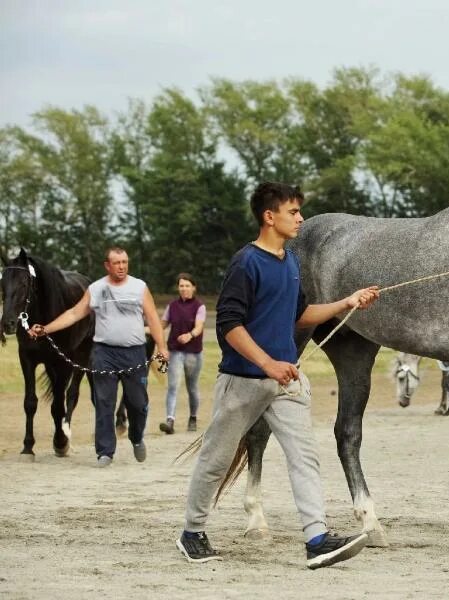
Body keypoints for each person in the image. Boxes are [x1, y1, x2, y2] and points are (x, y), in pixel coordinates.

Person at [176, 181, 380, 569]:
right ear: (270, 217)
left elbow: (300, 315)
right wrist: (267, 363)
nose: (301, 218)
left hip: (285, 383)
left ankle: (316, 538)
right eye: (293, 212)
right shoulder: (245, 263)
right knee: (216, 459)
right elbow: (230, 326)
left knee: (305, 457)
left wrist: (347, 302)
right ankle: (192, 532)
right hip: (243, 380)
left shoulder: (290, 262)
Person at [28, 247, 169, 467]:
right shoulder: (96, 288)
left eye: (124, 262)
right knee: (103, 402)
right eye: (117, 263)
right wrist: (46, 329)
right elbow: (74, 313)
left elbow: (152, 318)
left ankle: (136, 437)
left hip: (134, 353)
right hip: (104, 353)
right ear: (107, 265)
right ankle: (105, 452)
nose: (122, 266)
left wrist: (162, 347)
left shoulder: (139, 287)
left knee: (138, 403)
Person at [159, 273, 206, 434]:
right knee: (173, 386)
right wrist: (144, 329)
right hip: (175, 352)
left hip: (193, 354)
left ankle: (192, 417)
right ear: (178, 288)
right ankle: (170, 420)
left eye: (187, 285)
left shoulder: (199, 307)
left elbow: (199, 326)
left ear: (193, 287)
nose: (184, 288)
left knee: (192, 388)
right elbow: (162, 325)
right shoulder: (172, 306)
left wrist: (190, 335)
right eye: (181, 285)